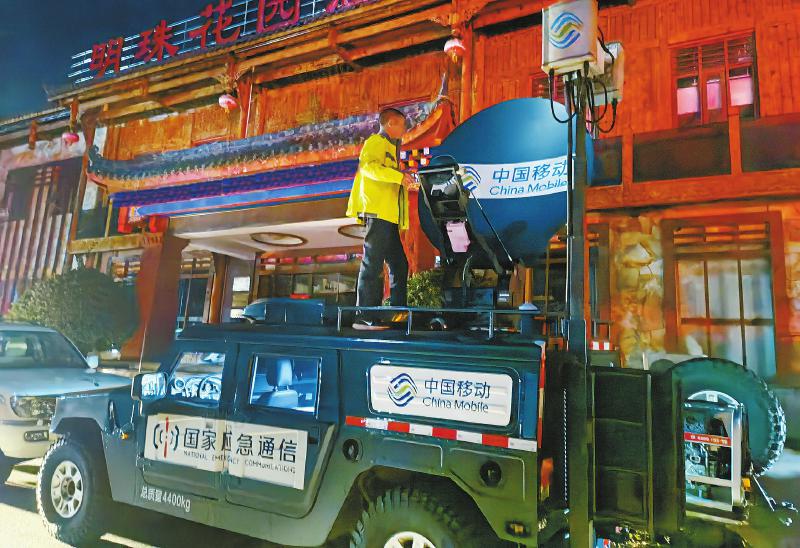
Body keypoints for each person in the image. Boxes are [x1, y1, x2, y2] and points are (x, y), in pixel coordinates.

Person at [346, 108, 417, 330]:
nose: (404, 130)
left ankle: (397, 314)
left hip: (388, 215)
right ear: (391, 123)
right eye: (402, 125)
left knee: (399, 264)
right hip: (377, 212)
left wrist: (402, 178)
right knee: (373, 263)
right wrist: (399, 176)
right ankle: (364, 317)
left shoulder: (391, 147)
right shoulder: (376, 141)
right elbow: (368, 168)